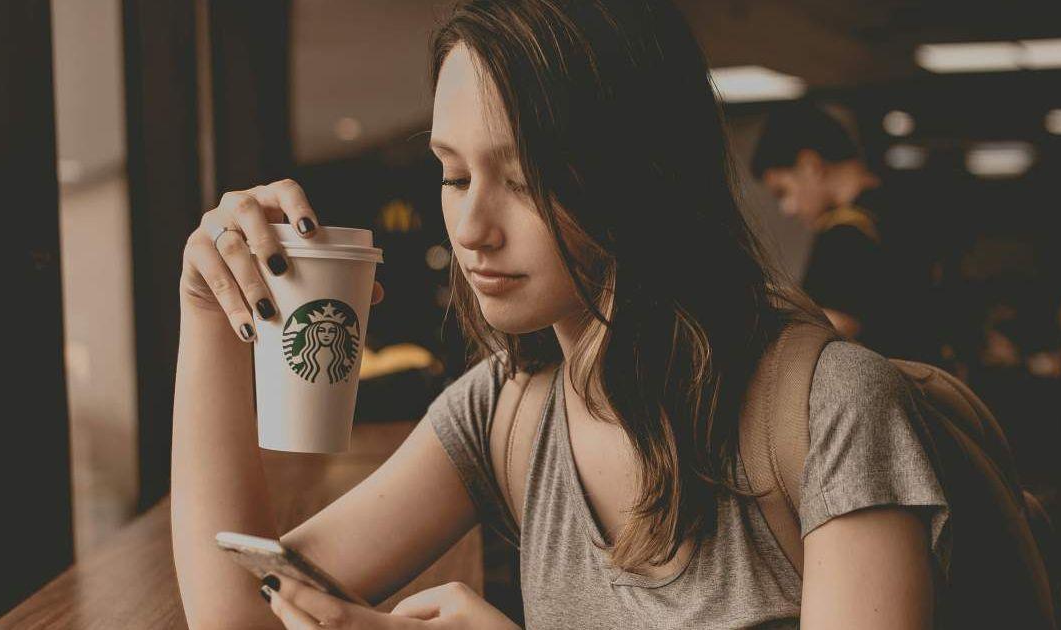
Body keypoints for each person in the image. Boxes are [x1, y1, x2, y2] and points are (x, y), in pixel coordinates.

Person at [171, 1, 949, 628]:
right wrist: (208, 312)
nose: (471, 228)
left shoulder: (834, 410)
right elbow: (240, 614)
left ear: (643, 177)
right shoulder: (506, 413)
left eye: (525, 177)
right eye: (452, 175)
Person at [750, 103, 905, 358]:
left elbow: (830, 331)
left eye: (783, 191)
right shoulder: (899, 206)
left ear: (811, 165)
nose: (787, 208)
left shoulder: (844, 234)